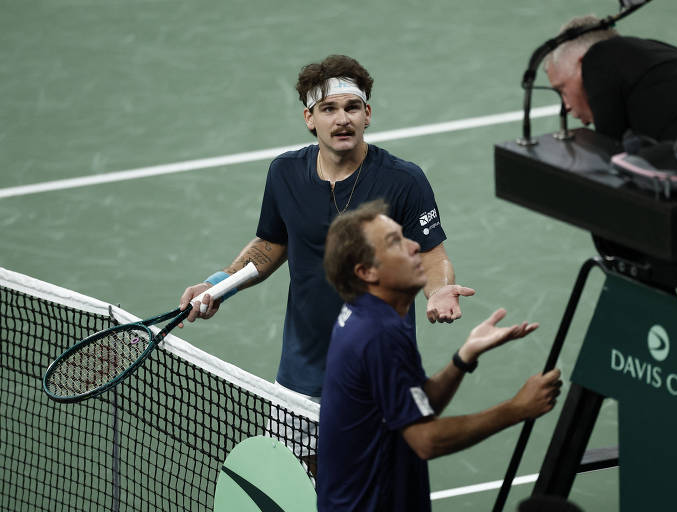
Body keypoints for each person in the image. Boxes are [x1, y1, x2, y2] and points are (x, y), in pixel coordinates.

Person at [178, 56, 472, 403]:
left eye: (352, 107)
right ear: (309, 118)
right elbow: (272, 243)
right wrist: (218, 284)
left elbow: (431, 253)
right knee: (298, 461)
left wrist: (439, 289)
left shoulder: (404, 180)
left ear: (368, 115)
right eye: (329, 109)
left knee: (374, 460)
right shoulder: (284, 173)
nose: (343, 118)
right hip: (301, 373)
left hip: (379, 370)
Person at [318, 200, 562, 511]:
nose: (414, 245)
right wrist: (518, 408)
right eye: (395, 242)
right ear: (366, 272)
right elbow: (426, 440)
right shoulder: (379, 334)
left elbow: (416, 405)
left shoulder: (373, 316)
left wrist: (464, 357)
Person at [544, 15, 677, 156]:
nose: (567, 108)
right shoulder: (651, 59)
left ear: (582, 62)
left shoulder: (600, 57)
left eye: (562, 90)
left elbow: (612, 171)